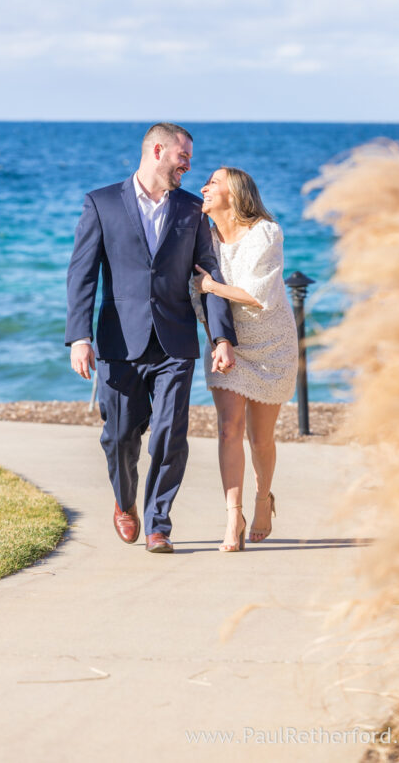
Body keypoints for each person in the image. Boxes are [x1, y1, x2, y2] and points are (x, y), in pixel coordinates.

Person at [65, 124, 237, 553]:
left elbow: (208, 278)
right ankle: (125, 503)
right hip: (118, 343)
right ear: (158, 150)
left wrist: (220, 338)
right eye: (184, 156)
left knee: (169, 433)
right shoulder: (101, 203)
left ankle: (159, 523)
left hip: (175, 343)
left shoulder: (192, 210)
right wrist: (79, 337)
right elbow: (82, 274)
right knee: (120, 436)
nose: (188, 165)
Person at [191, 167, 298, 552]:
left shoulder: (266, 233)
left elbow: (257, 294)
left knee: (260, 438)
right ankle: (233, 515)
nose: (204, 188)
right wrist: (217, 340)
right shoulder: (203, 238)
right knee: (228, 429)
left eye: (213, 183)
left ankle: (262, 498)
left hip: (271, 346)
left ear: (234, 195)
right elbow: (199, 299)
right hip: (229, 345)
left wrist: (213, 285)